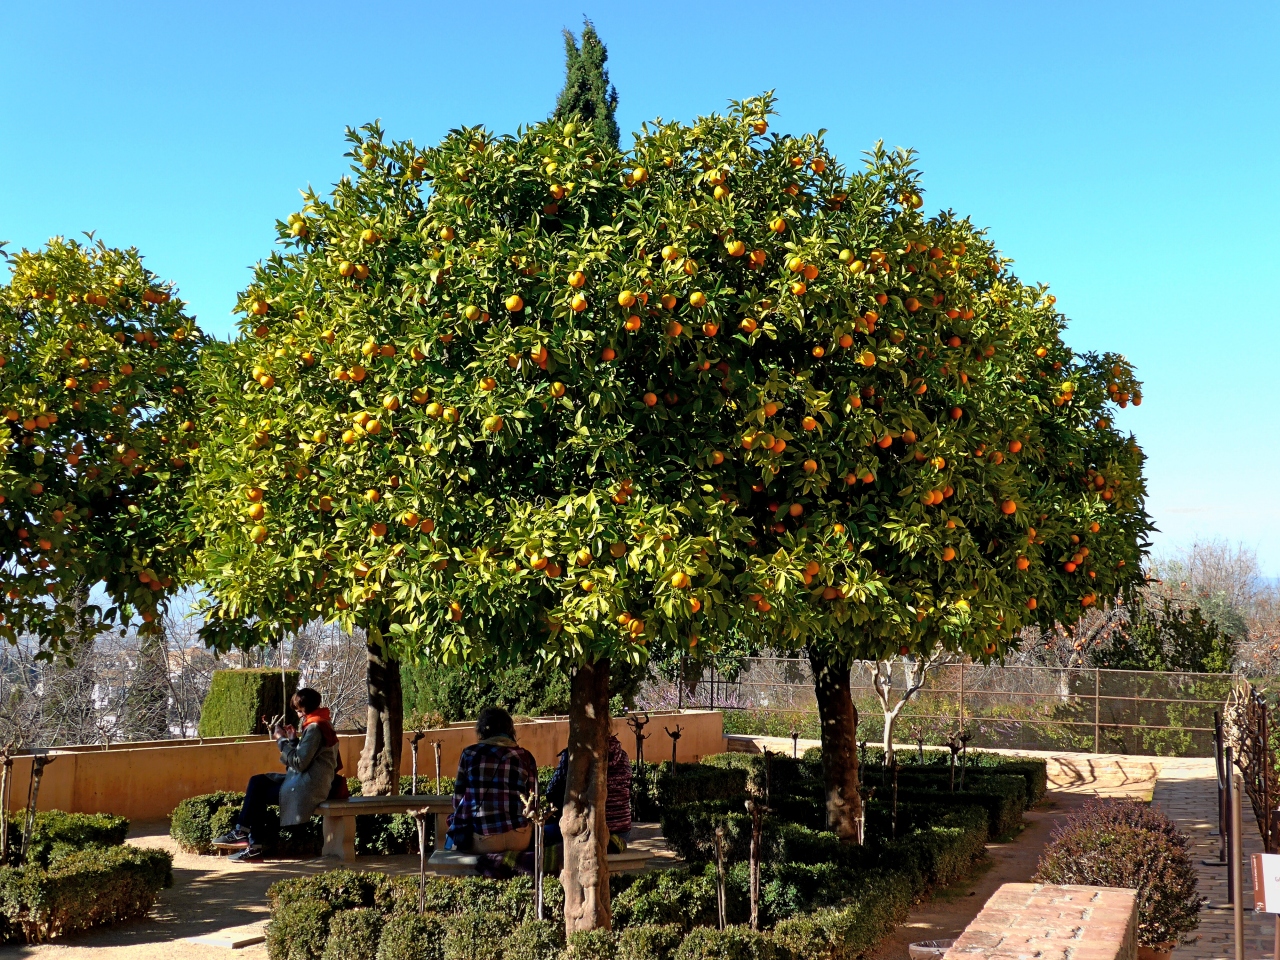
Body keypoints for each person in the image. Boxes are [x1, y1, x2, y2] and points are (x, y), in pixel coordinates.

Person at [213, 687, 343, 863]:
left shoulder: (315, 727)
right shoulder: (322, 722)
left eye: (299, 711)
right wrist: (293, 740)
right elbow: (306, 757)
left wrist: (281, 741)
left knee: (258, 793)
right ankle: (243, 833)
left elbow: (299, 762)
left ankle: (251, 844)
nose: (298, 715)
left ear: (305, 708)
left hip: (309, 787)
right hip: (308, 780)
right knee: (257, 782)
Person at [447, 706, 538, 853]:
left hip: (484, 839)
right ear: (510, 730)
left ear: (482, 729)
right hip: (520, 838)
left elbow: (457, 800)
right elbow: (533, 801)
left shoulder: (470, 754)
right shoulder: (525, 756)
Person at [544, 732, 632, 851]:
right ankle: (613, 842)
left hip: (587, 829)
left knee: (539, 833)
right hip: (622, 831)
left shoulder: (573, 755)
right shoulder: (623, 756)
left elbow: (551, 792)